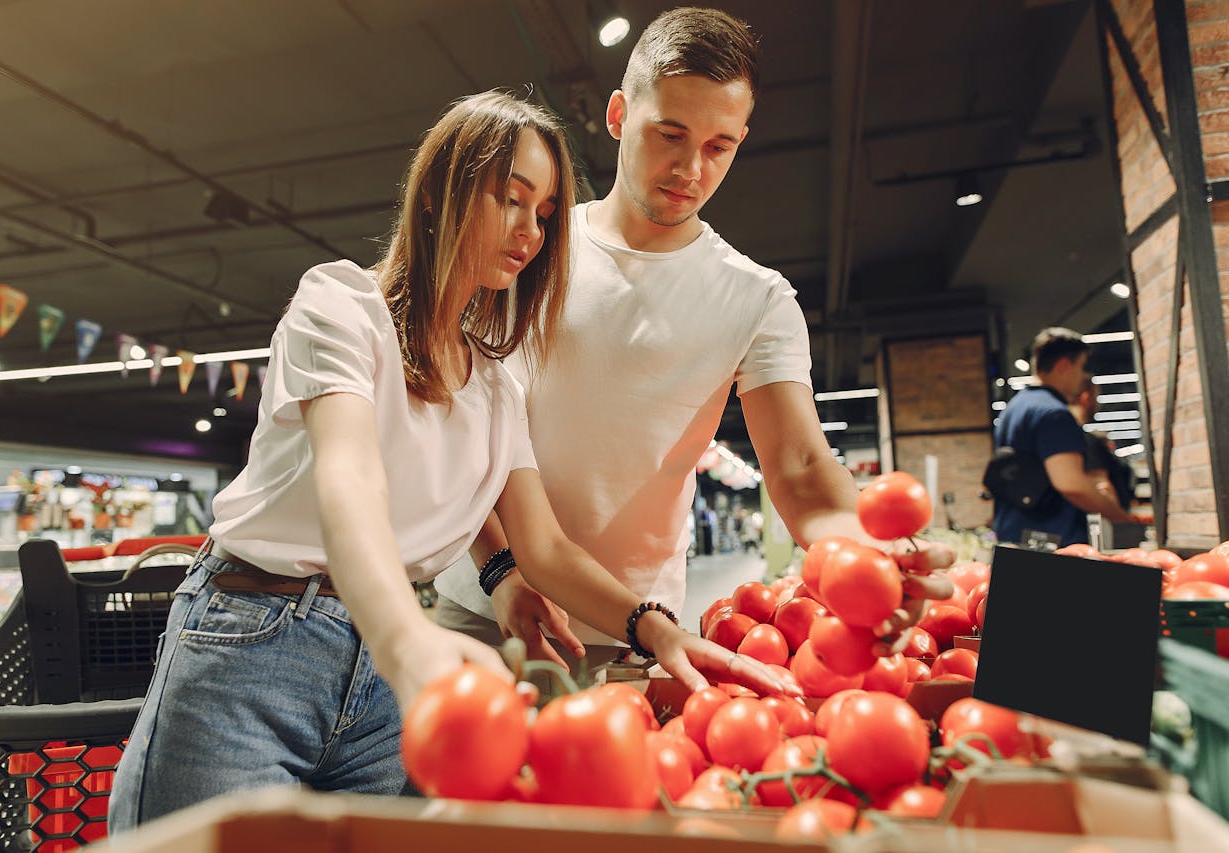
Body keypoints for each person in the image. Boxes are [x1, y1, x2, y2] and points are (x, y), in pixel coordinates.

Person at [108, 91, 790, 833]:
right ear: (439, 194)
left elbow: (546, 547)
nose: (530, 230)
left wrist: (656, 628)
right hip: (254, 641)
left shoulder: (495, 386)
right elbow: (351, 481)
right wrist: (408, 640)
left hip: (381, 674)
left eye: (545, 211)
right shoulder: (341, 308)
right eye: (511, 198)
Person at [434, 9, 953, 671]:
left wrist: (864, 554)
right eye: (669, 134)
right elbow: (464, 426)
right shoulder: (525, 247)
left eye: (719, 145)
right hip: (485, 605)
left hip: (637, 629)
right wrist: (500, 570)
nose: (689, 168)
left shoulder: (757, 298)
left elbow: (798, 467)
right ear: (619, 115)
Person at [992, 327, 1134, 547]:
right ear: (1063, 366)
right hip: (1052, 542)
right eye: (1081, 366)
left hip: (1017, 535)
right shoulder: (1053, 413)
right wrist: (1121, 518)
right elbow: (1071, 484)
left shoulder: (1015, 407)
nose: (1083, 376)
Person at [1066, 375, 1137, 512]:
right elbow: (1103, 489)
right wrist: (1123, 521)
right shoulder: (1086, 441)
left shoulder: (1066, 439)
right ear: (1086, 398)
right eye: (1096, 397)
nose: (1098, 405)